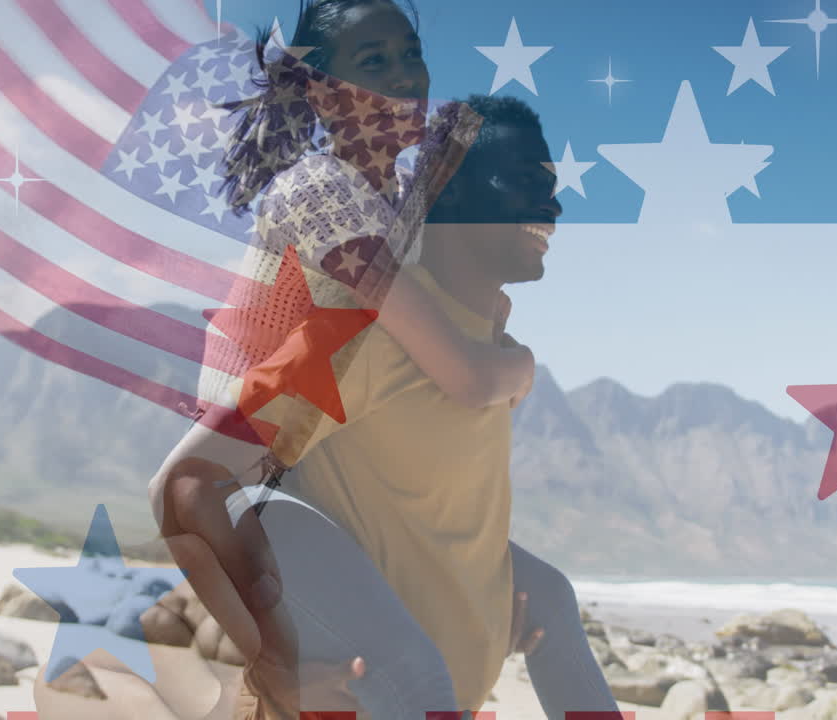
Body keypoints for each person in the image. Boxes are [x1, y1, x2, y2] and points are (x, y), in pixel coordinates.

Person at [150, 1, 622, 718]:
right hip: (255, 477)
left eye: (411, 54)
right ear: (320, 89)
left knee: (544, 593)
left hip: (318, 456)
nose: (405, 77)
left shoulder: (387, 203)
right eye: (374, 62)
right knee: (413, 679)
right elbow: (462, 374)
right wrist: (518, 370)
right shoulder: (323, 194)